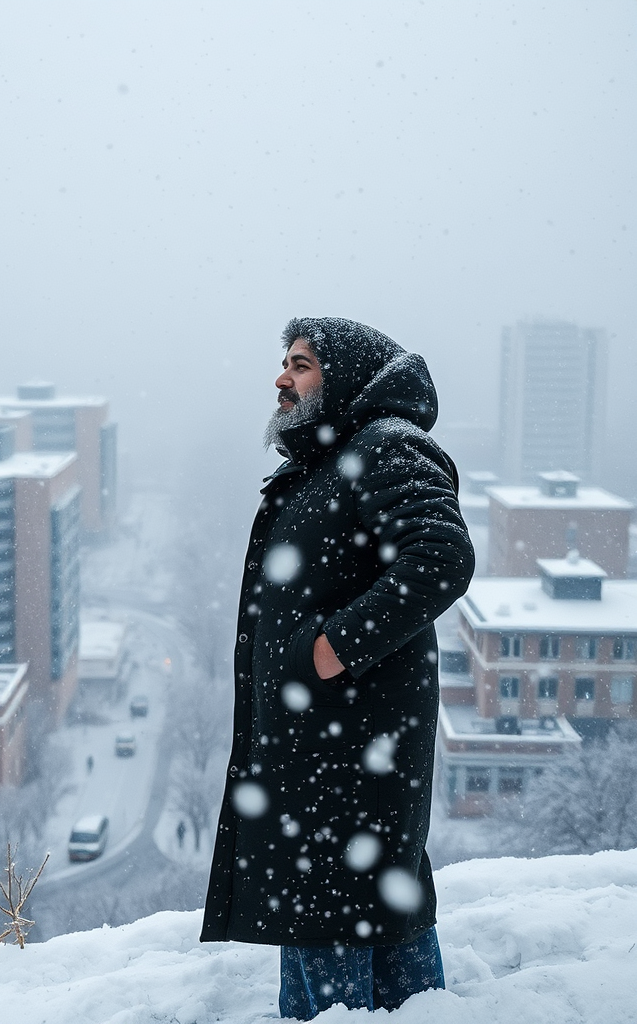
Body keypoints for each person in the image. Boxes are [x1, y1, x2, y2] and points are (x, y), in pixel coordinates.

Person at [200, 317, 475, 1019]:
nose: (281, 379)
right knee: (376, 906)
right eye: (284, 363)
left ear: (344, 377)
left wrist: (330, 650)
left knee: (329, 909)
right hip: (338, 748)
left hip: (348, 750)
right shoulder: (339, 458)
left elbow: (442, 556)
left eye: (300, 365)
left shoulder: (384, 447)